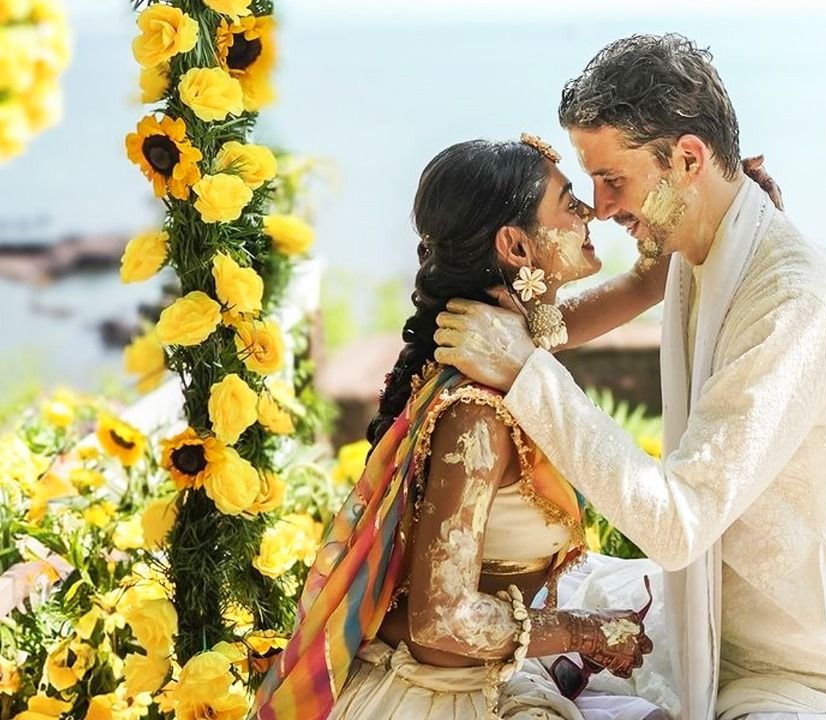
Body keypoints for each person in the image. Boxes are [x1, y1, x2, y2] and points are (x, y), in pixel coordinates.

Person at [433, 35, 826, 720]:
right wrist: (518, 329)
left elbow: (678, 524)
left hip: (806, 668)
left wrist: (531, 375)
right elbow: (637, 285)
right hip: (709, 620)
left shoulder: (794, 305)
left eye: (613, 181)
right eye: (588, 184)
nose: (598, 206)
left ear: (687, 158)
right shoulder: (700, 241)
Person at [254, 137, 665, 720]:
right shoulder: (478, 412)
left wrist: (709, 207)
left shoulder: (511, 345)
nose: (591, 213)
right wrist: (585, 632)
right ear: (516, 246)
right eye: (569, 202)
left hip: (480, 678)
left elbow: (648, 285)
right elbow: (440, 622)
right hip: (434, 696)